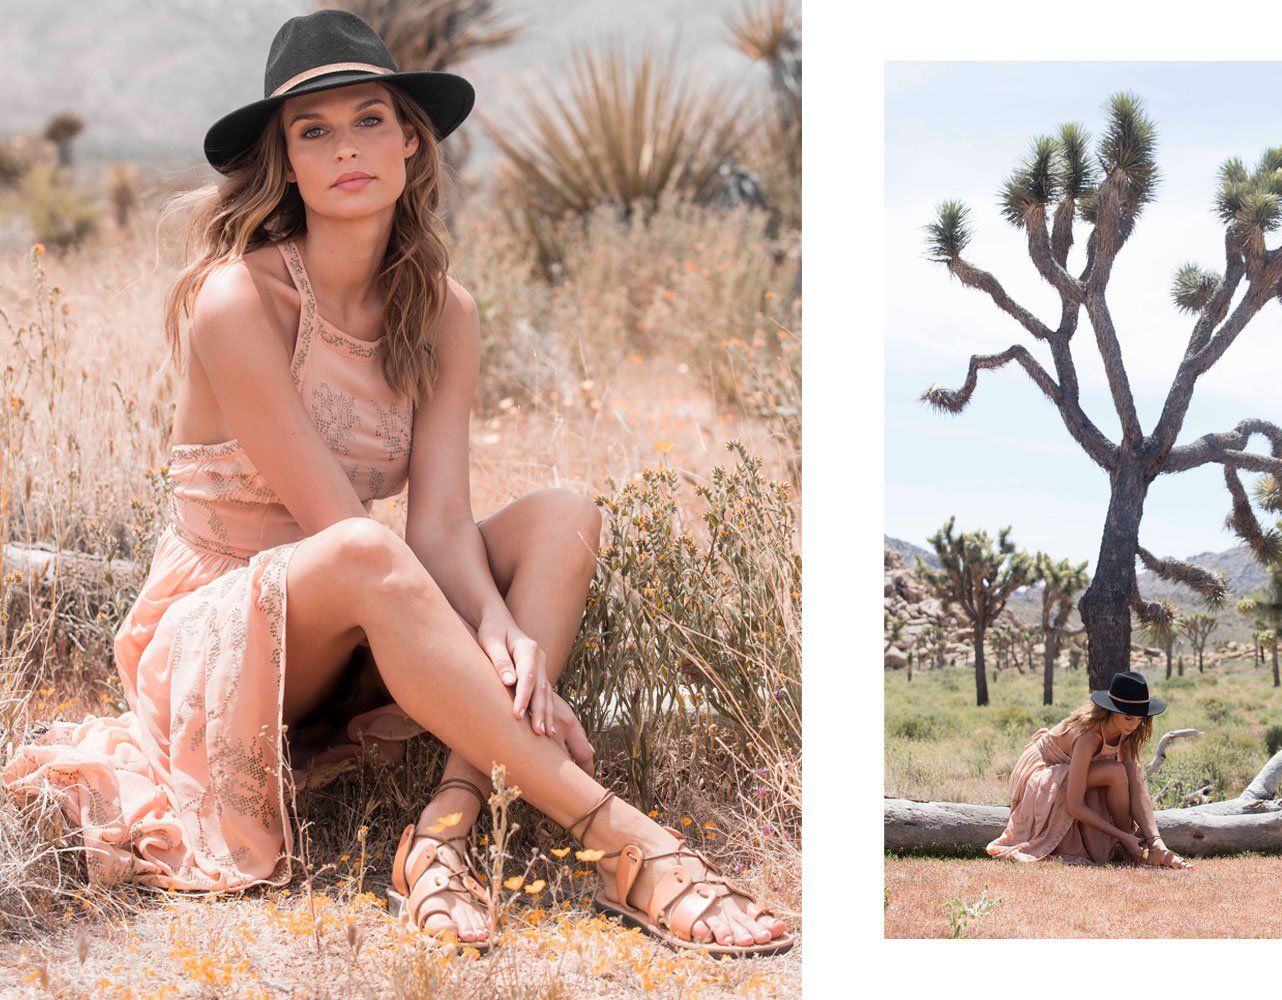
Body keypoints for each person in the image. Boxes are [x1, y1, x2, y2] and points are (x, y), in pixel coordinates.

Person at [1, 9, 790, 958]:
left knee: (563, 516)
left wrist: (502, 629)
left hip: (361, 608)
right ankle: (624, 841)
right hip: (219, 635)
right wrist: (484, 627)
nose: (346, 149)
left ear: (412, 142)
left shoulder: (443, 311)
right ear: (284, 162)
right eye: (314, 131)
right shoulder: (236, 299)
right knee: (367, 548)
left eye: (369, 120)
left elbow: (445, 521)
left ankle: (446, 832)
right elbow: (339, 526)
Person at [986, 671, 1193, 869]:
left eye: (1140, 718)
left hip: (1075, 772)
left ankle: (1140, 848)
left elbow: (1136, 783)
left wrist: (1155, 839)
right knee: (1115, 772)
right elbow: (1073, 805)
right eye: (1129, 717)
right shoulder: (1088, 737)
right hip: (1043, 772)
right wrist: (1123, 837)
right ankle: (1128, 842)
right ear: (1112, 710)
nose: (1135, 724)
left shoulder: (1126, 732)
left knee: (1127, 773)